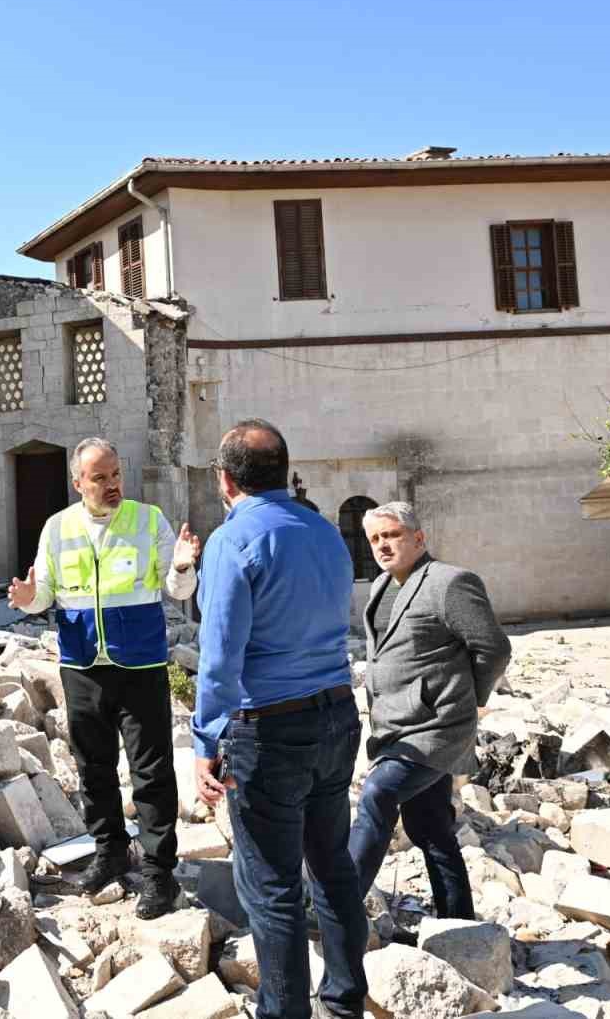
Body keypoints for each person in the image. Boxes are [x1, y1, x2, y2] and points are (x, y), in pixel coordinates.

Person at [192, 419, 366, 1019]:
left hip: (269, 727)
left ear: (225, 479)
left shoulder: (232, 541)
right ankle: (344, 1002)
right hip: (337, 713)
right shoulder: (324, 532)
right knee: (333, 866)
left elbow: (219, 655)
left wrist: (205, 738)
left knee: (271, 889)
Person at [7, 437, 200, 919]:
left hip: (140, 664)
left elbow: (177, 590)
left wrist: (181, 565)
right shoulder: (57, 528)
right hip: (81, 665)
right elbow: (43, 596)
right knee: (93, 767)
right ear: (78, 484)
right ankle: (110, 852)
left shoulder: (148, 520)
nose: (112, 484)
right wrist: (27, 596)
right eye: (100, 478)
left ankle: (159, 873)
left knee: (151, 771)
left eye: (115, 474)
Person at [349, 501, 511, 920]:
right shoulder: (382, 587)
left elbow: (493, 647)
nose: (383, 546)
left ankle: (338, 905)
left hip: (436, 728)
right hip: (395, 726)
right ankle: (459, 923)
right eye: (375, 539)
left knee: (378, 794)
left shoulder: (450, 582)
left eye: (392, 536)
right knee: (431, 830)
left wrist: (468, 699)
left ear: (418, 539)